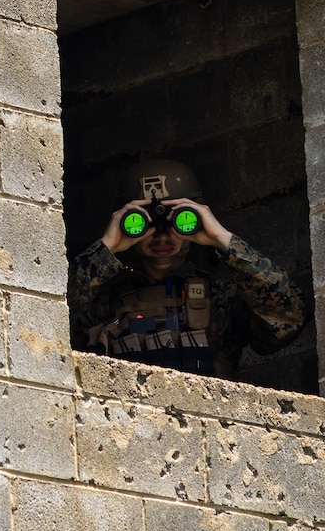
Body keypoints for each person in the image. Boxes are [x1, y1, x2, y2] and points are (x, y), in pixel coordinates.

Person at [68, 159, 305, 379]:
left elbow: (289, 319)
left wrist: (221, 238)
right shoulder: (102, 302)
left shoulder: (221, 296)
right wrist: (106, 247)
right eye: (146, 224)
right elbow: (46, 317)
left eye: (175, 224)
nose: (161, 237)